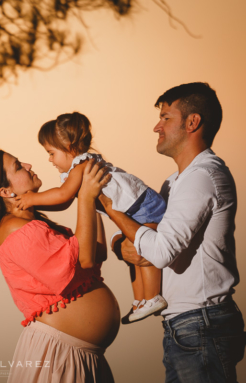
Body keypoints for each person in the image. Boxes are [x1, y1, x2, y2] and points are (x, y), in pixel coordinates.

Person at [100, 82, 245, 382]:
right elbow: (148, 237)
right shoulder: (175, 183)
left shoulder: (203, 177)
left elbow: (160, 251)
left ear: (192, 122)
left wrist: (110, 208)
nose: (157, 126)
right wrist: (121, 245)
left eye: (166, 117)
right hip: (186, 325)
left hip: (201, 323)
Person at [0, 150, 120, 382]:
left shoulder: (33, 225)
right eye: (17, 166)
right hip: (58, 358)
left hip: (80, 356)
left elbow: (96, 253)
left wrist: (89, 197)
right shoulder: (14, 229)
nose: (27, 164)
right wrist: (84, 196)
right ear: (5, 191)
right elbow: (84, 258)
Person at [15, 112, 167, 323]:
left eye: (51, 153)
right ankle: (141, 300)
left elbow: (62, 194)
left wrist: (33, 199)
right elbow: (66, 201)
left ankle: (152, 297)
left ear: (69, 147)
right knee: (134, 258)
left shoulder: (82, 165)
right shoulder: (81, 167)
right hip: (137, 210)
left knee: (143, 250)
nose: (49, 159)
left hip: (144, 208)